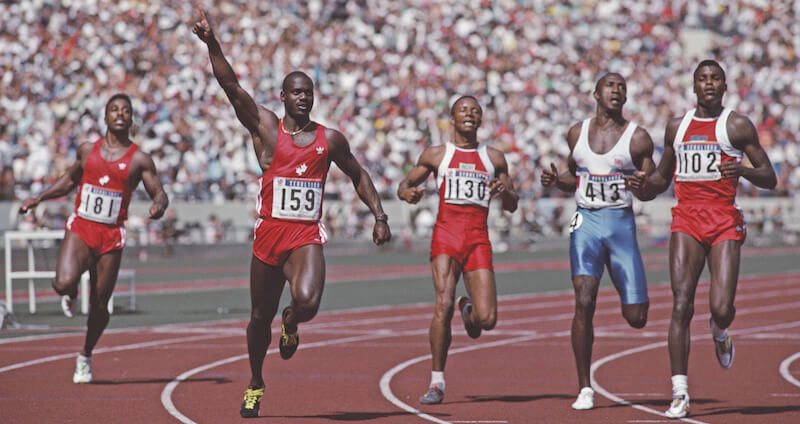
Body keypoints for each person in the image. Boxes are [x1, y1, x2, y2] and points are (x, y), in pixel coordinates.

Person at [192, 6, 392, 418]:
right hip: (269, 233)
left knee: (309, 300)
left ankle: (293, 319)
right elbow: (230, 85)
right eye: (296, 92)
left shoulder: (329, 139)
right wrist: (212, 43)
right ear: (283, 97)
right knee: (256, 319)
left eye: (308, 92)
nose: (303, 97)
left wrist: (380, 215)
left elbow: (358, 174)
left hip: (304, 234)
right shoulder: (265, 127)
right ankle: (255, 381)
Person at [636, 60, 777, 419]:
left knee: (721, 308)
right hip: (686, 217)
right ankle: (680, 392)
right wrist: (642, 185)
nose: (709, 83)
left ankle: (719, 331)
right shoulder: (676, 127)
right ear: (694, 86)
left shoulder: (737, 125)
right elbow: (660, 180)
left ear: (725, 86)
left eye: (715, 78)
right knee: (681, 303)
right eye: (703, 78)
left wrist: (742, 170)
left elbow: (769, 177)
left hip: (723, 219)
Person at [18, 93, 168, 383]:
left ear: (132, 118)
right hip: (82, 227)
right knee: (62, 283)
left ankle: (85, 355)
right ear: (105, 117)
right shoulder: (87, 150)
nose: (120, 114)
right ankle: (72, 293)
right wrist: (40, 197)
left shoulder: (139, 159)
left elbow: (158, 191)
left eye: (126, 110)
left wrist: (159, 205)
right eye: (114, 110)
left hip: (111, 235)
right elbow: (69, 180)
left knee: (100, 306)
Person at [540, 73, 656, 410]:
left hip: (620, 225)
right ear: (596, 93)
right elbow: (571, 179)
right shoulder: (576, 132)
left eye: (622, 86)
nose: (617, 91)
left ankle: (631, 301)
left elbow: (648, 191)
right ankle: (585, 387)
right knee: (584, 299)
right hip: (584, 221)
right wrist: (554, 180)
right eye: (611, 86)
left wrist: (641, 185)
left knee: (637, 317)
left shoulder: (638, 139)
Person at [397, 95, 519, 405]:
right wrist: (408, 193)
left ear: (480, 120)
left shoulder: (494, 158)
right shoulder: (437, 155)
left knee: (487, 320)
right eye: (463, 110)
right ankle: (437, 381)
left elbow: (512, 204)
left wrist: (505, 193)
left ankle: (469, 309)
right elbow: (403, 186)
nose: (470, 114)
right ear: (452, 120)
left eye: (475, 111)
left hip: (478, 239)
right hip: (446, 237)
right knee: (443, 304)